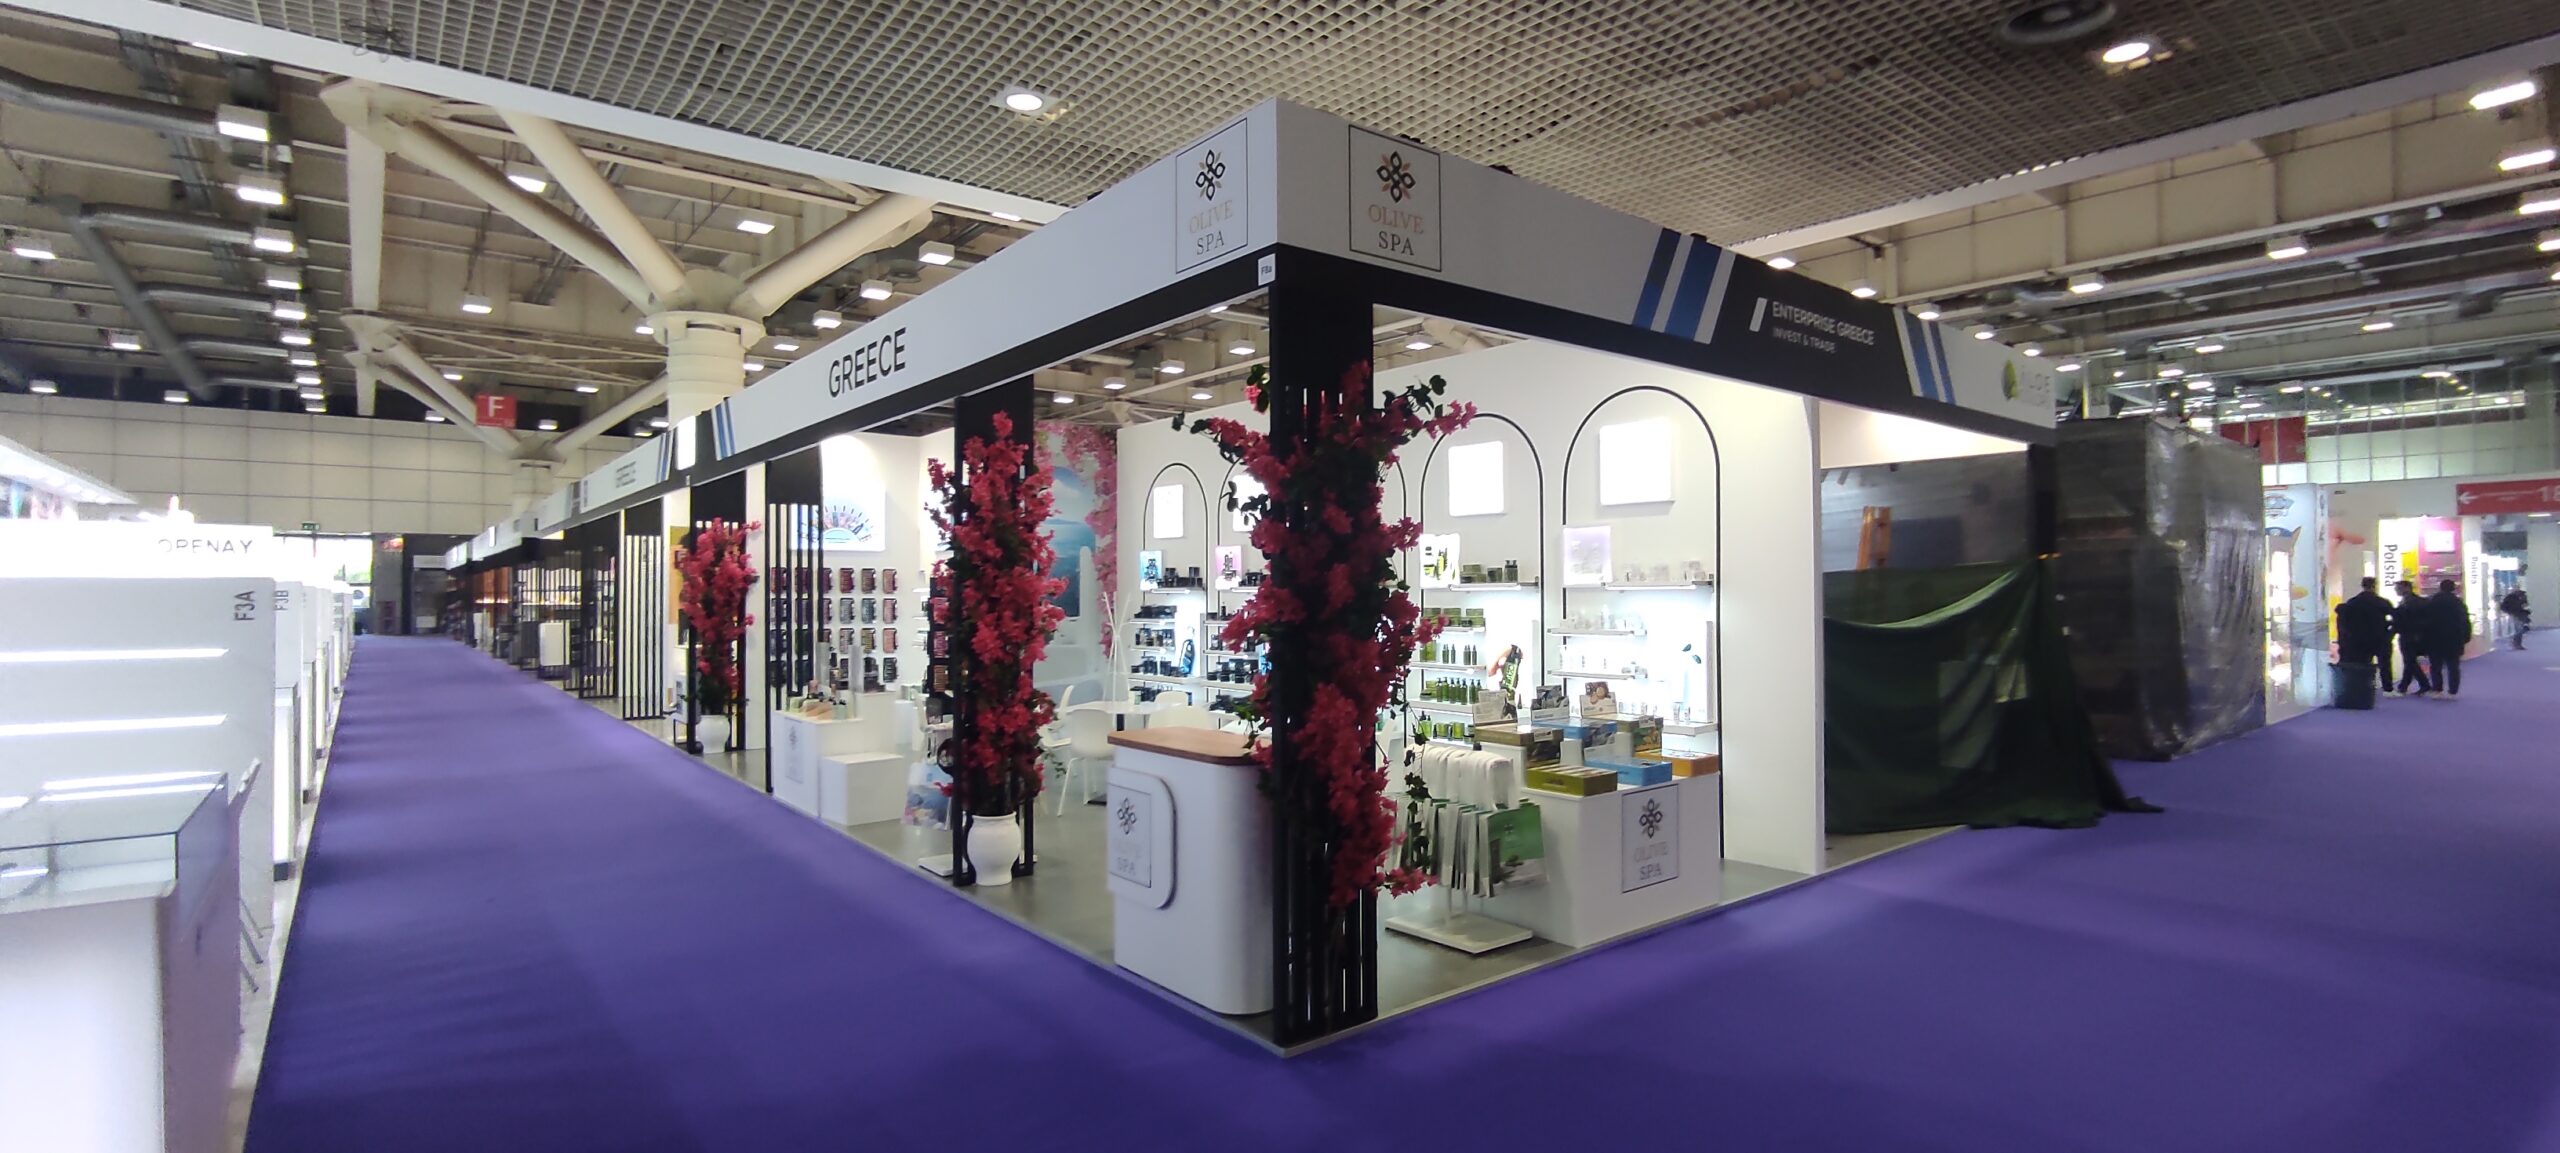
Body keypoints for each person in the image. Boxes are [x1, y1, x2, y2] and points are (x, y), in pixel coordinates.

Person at [2333, 577, 2395, 696]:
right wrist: (2390, 632)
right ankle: (2388, 689)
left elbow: (2347, 622)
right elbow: (2395, 617)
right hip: (2380, 638)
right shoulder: (2381, 602)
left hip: (2360, 639)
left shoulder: (2353, 602)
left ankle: (2364, 687)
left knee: (2363, 664)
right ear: (2375, 585)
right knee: (2385, 664)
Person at [2425, 579, 2474, 699]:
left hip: (2435, 637)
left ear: (2440, 587)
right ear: (2453, 588)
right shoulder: (2458, 603)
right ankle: (2453, 691)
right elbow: (2465, 621)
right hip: (2454, 638)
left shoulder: (2432, 601)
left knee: (2435, 665)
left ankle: (2437, 689)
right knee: (2453, 666)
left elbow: (2425, 620)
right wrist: (2466, 636)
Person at [2390, 580, 2431, 697]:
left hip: (2411, 635)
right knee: (2409, 661)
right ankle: (2404, 686)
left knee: (2410, 661)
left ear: (2407, 588)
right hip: (2411, 635)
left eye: (2398, 588)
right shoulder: (2412, 601)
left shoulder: (2413, 603)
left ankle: (2423, 684)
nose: (2396, 591)